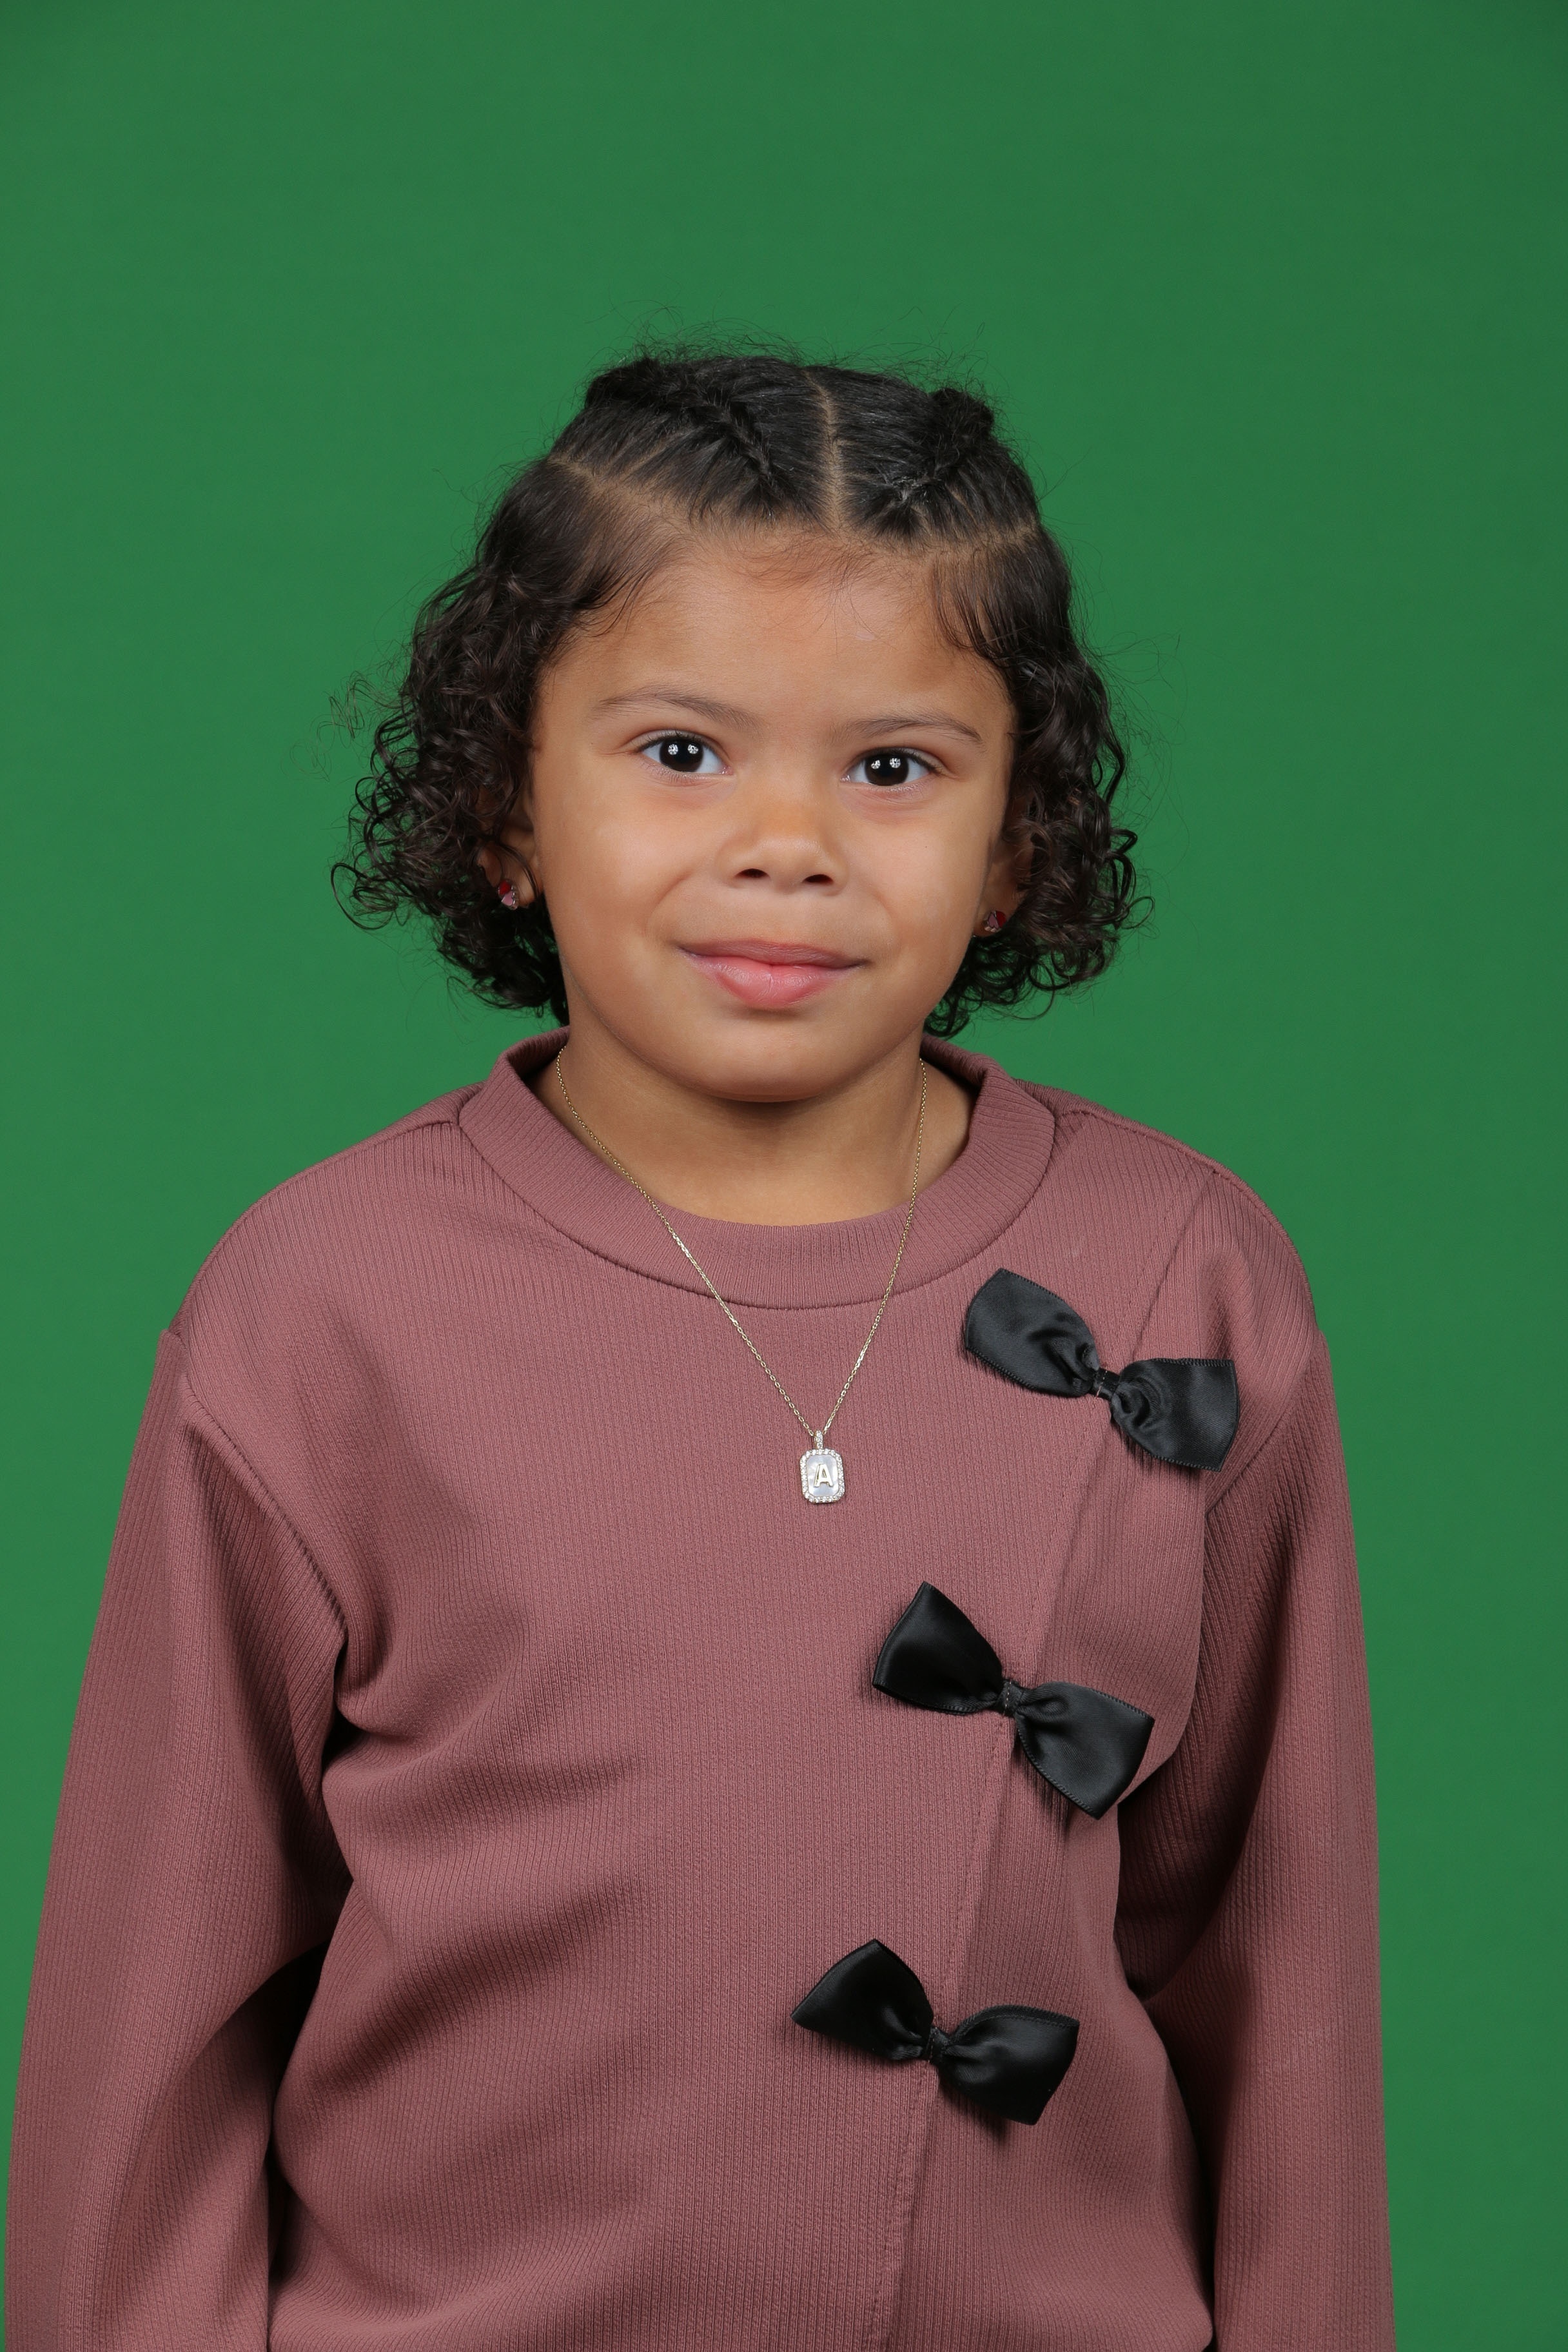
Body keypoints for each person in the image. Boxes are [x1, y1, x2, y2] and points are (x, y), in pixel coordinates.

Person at [7, 353, 1395, 2350]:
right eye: (680, 752)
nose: (788, 843)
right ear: (506, 805)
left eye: (894, 768)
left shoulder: (1185, 1274)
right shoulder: (320, 1305)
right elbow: (154, 2026)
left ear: (1017, 839)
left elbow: (1284, 1976)